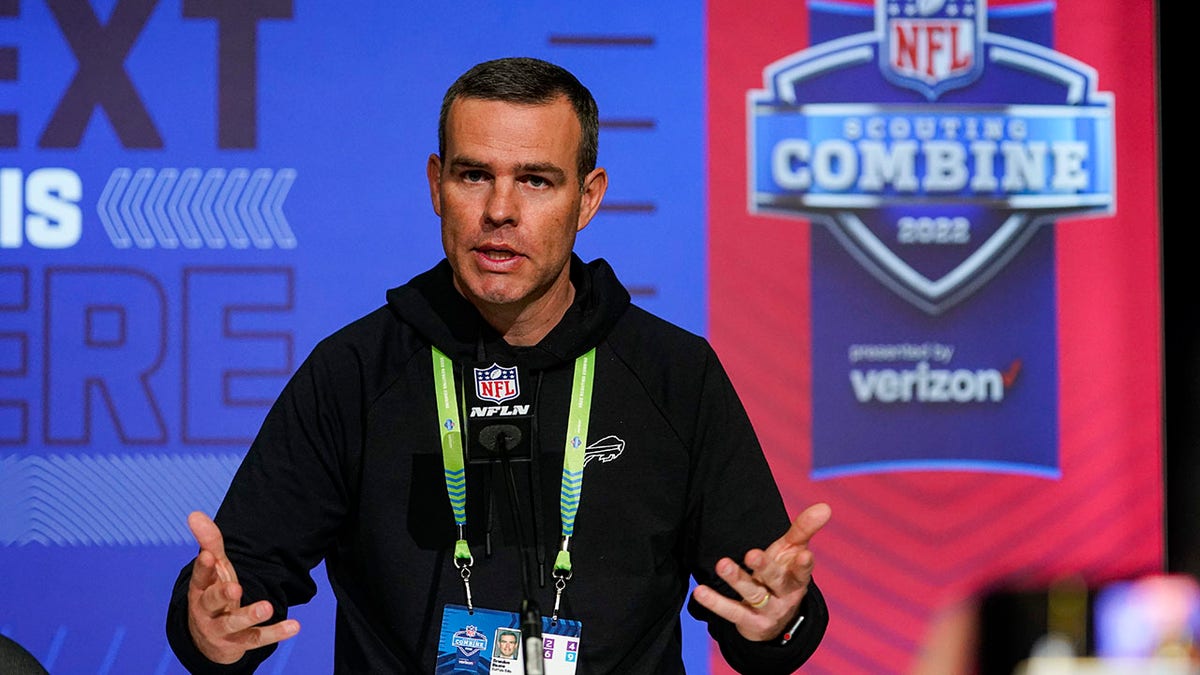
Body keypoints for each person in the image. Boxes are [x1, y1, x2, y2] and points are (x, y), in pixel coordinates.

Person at [166, 56, 830, 674]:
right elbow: (239, 588)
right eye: (473, 175)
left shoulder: (673, 373)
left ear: (588, 198)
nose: (500, 210)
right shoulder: (355, 372)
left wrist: (777, 620)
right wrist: (210, 629)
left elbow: (759, 605)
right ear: (436, 184)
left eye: (535, 180)